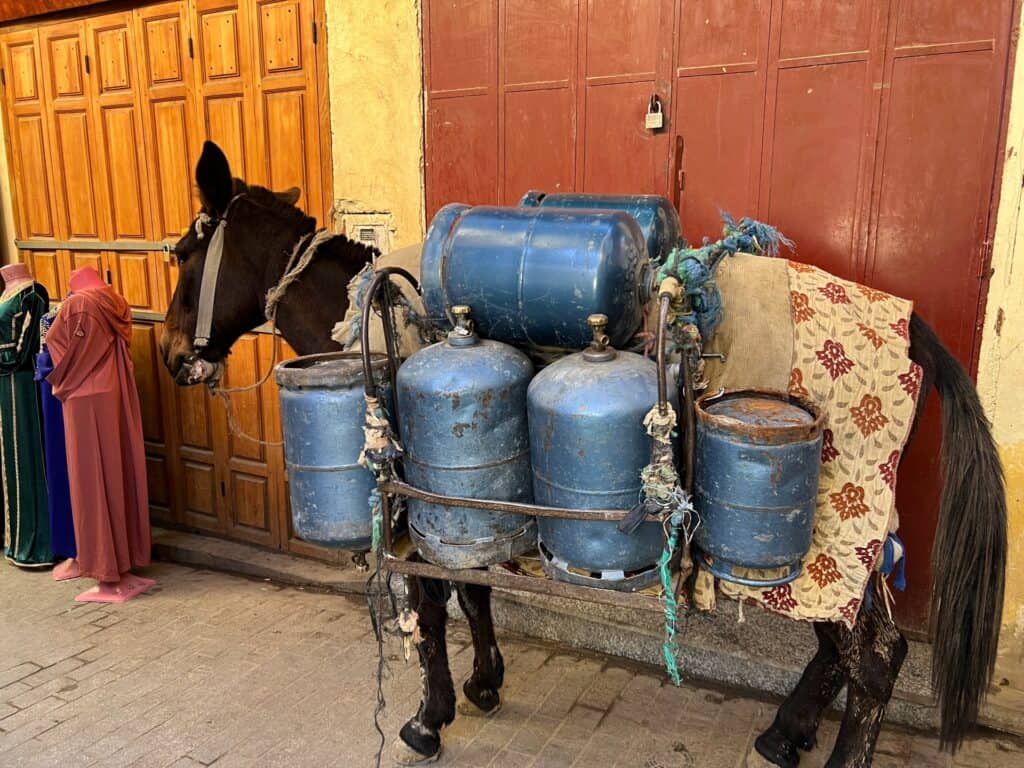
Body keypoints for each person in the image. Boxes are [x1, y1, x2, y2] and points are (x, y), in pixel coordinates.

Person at [47, 267, 153, 602]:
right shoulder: (114, 299)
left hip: (85, 396)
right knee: (116, 473)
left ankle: (107, 574)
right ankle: (123, 565)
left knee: (91, 482)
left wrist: (57, 382)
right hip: (114, 391)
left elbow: (70, 357)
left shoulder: (79, 304)